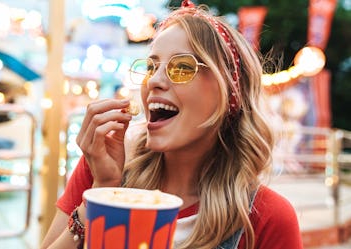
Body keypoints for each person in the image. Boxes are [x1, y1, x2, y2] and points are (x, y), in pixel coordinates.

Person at [41, 1, 303, 248]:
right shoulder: (102, 166)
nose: (154, 80)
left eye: (181, 68)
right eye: (151, 67)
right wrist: (100, 193)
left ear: (228, 91)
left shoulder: (266, 218)